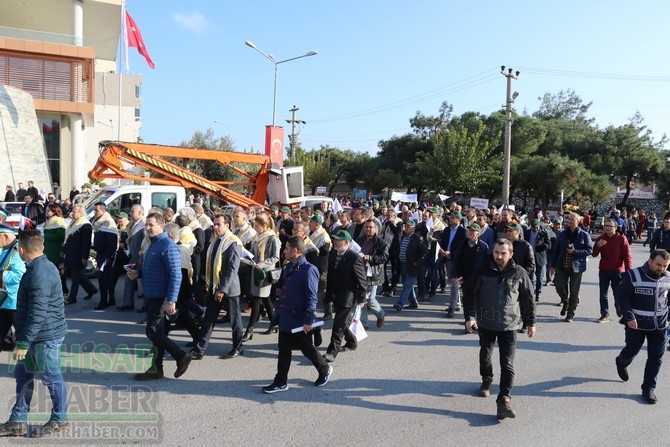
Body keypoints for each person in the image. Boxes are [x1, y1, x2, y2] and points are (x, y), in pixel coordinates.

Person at [0, 230, 68, 437]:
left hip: (45, 336)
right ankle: (18, 420)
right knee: (23, 375)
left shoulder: (40, 273)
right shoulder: (37, 267)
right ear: (42, 247)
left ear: (21, 250)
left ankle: (60, 418)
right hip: (33, 335)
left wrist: (22, 342)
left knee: (51, 377)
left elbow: (38, 312)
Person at [466, 239, 536, 420]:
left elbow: (528, 298)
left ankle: (504, 399)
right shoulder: (483, 269)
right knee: (485, 356)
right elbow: (470, 293)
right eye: (496, 252)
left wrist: (530, 322)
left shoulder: (519, 273)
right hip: (486, 323)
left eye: (503, 253)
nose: (498, 256)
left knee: (508, 365)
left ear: (511, 254)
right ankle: (486, 379)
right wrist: (470, 317)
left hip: (509, 325)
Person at [262, 236, 333, 393]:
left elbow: (311, 297)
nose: (284, 251)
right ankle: (281, 382)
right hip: (286, 316)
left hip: (300, 318)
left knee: (306, 348)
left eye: (286, 248)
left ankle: (324, 368)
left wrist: (308, 320)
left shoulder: (309, 270)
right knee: (284, 350)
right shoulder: (289, 267)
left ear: (296, 251)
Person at [127, 212, 192, 380]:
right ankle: (156, 369)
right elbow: (151, 269)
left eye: (151, 225)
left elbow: (176, 274)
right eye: (147, 225)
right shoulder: (152, 244)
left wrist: (171, 300)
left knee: (152, 331)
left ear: (161, 226)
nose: (148, 228)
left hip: (161, 297)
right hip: (151, 295)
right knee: (158, 334)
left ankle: (181, 356)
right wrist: (137, 273)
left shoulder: (167, 245)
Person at [615, 250, 670, 404]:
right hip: (636, 324)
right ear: (650, 261)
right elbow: (623, 296)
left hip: (660, 326)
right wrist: (628, 316)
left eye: (665, 266)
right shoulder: (634, 275)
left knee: (656, 357)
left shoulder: (669, 278)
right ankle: (621, 362)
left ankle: (648, 389)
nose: (661, 268)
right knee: (631, 350)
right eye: (658, 264)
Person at [191, 213, 244, 360]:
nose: (215, 227)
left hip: (229, 290)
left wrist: (222, 289)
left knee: (235, 321)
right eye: (214, 224)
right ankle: (200, 349)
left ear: (227, 226)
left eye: (218, 224)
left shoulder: (233, 242)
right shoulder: (216, 240)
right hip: (215, 287)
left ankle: (238, 347)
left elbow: (232, 269)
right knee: (209, 319)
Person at [323, 230, 367, 363]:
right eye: (335, 239)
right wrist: (328, 296)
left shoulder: (354, 258)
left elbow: (362, 280)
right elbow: (330, 276)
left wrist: (361, 298)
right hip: (335, 294)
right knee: (343, 323)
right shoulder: (333, 254)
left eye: (338, 240)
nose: (335, 242)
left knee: (338, 325)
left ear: (346, 242)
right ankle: (352, 342)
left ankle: (331, 352)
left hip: (348, 296)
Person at [241, 213, 280, 340]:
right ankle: (274, 323)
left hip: (265, 273)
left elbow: (275, 257)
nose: (255, 228)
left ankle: (249, 329)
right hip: (256, 272)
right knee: (265, 299)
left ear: (264, 226)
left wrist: (261, 264)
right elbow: (252, 254)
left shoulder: (272, 238)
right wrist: (243, 256)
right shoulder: (257, 237)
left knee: (256, 299)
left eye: (257, 226)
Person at [549, 212, 593, 322]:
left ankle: (571, 312)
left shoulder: (584, 234)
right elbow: (556, 250)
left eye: (572, 219)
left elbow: (589, 250)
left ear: (578, 222)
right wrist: (552, 265)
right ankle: (565, 301)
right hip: (562, 265)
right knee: (559, 286)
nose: (569, 221)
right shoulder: (562, 234)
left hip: (576, 267)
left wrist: (575, 252)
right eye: (568, 219)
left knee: (574, 291)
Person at [592, 219, 632, 323]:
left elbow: (627, 256)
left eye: (610, 226)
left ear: (616, 228)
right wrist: (597, 246)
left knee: (618, 294)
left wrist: (629, 271)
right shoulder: (601, 239)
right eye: (606, 225)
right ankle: (604, 314)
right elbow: (594, 254)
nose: (607, 228)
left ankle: (619, 308)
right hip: (604, 270)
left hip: (618, 271)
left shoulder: (622, 239)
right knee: (603, 294)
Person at [451, 223, 488, 332]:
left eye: (473, 231)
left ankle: (474, 320)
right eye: (469, 230)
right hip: (465, 277)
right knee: (467, 299)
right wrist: (454, 276)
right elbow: (456, 262)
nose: (470, 232)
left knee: (476, 300)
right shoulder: (462, 245)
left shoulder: (483, 246)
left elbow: (488, 263)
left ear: (478, 233)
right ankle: (468, 321)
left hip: (479, 278)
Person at [357, 218, 389, 328]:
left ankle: (380, 314)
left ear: (376, 229)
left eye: (370, 227)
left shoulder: (381, 243)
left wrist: (370, 258)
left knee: (370, 299)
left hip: (373, 275)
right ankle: (363, 323)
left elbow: (384, 257)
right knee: (361, 299)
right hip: (360, 273)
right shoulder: (359, 240)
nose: (368, 229)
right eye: (366, 227)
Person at [63, 205, 97, 304]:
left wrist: (84, 257)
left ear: (80, 213)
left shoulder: (85, 225)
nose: (72, 213)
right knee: (78, 275)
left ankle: (72, 298)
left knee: (75, 278)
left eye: (74, 211)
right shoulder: (74, 222)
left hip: (78, 255)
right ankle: (91, 289)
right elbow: (68, 237)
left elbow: (86, 243)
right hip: (71, 253)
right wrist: (64, 250)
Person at [0, 224, 25, 353]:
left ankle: (34, 365)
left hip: (14, 302)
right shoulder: (5, 249)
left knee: (23, 338)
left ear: (5, 237)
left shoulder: (16, 252)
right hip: (4, 301)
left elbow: (19, 275)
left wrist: (1, 275)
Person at [393, 219, 428, 312]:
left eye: (408, 227)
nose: (406, 228)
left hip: (413, 266)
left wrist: (418, 262)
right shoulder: (404, 237)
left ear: (413, 229)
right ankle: (413, 302)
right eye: (405, 226)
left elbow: (425, 252)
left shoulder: (417, 238)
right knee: (407, 285)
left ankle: (400, 304)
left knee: (408, 285)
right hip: (403, 264)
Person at [91, 202, 119, 310]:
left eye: (96, 210)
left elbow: (112, 243)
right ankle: (110, 299)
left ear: (103, 211)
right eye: (94, 210)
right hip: (101, 253)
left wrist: (108, 257)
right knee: (105, 278)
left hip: (106, 255)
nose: (94, 212)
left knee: (103, 279)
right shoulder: (99, 222)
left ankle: (104, 301)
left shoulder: (108, 222)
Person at [43, 203, 68, 295]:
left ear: (54, 212)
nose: (46, 212)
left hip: (57, 251)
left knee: (59, 272)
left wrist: (46, 236)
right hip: (49, 250)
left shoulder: (58, 221)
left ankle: (64, 289)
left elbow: (61, 236)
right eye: (46, 210)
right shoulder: (48, 221)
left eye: (48, 210)